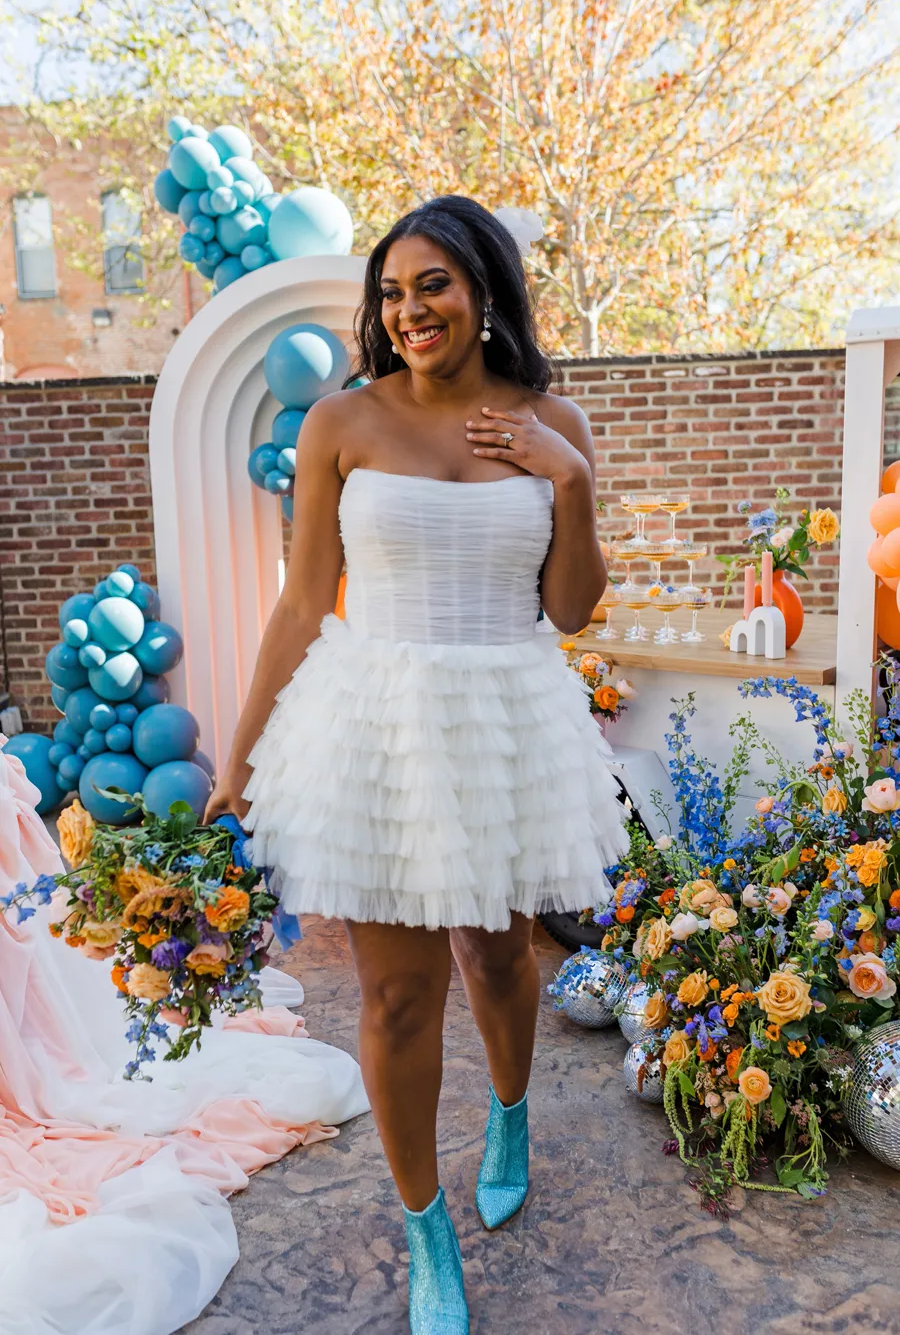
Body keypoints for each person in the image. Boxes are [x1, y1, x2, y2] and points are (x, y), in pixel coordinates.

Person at [203, 194, 629, 1334]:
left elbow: (572, 610)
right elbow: (303, 604)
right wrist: (241, 755)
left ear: (485, 290)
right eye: (391, 293)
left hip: (504, 721)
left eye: (431, 284)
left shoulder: (555, 422)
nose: (409, 310)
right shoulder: (341, 423)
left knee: (500, 960)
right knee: (397, 998)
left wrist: (569, 478)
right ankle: (426, 1230)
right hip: (377, 726)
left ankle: (509, 1114)